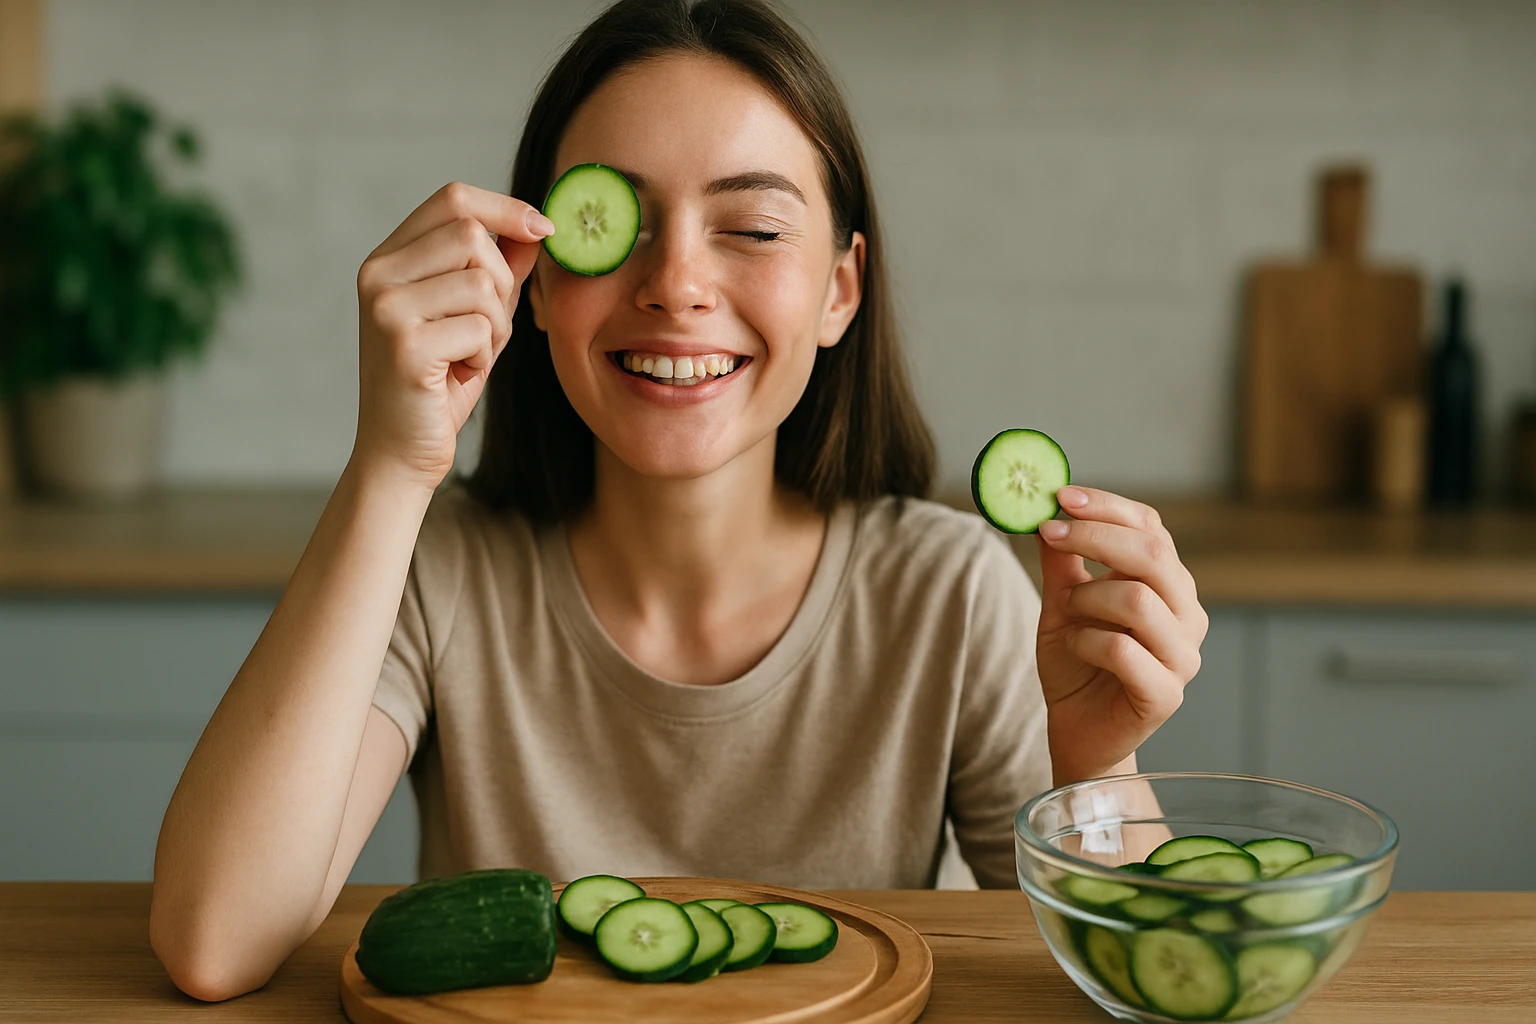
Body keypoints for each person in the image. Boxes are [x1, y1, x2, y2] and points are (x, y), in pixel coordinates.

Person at [149, 0, 1206, 1002]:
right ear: (538, 282)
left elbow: (1143, 976)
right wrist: (391, 459)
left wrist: (1099, 763)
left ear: (840, 290)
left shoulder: (952, 590)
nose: (675, 283)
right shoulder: (444, 569)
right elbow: (214, 940)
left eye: (750, 228)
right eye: (613, 223)